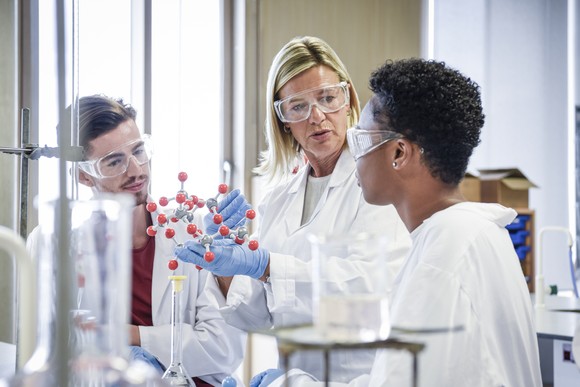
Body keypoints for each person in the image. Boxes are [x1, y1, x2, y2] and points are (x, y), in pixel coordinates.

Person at [254, 58, 543, 386]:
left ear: (399, 154)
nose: (355, 155)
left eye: (360, 140)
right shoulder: (471, 232)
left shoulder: (443, 254)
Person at [176, 36, 411, 383]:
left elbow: (368, 293)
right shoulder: (278, 198)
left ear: (347, 101)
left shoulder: (377, 185)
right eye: (297, 106)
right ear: (283, 120)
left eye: (328, 98)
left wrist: (268, 267)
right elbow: (258, 314)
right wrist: (222, 265)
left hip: (364, 376)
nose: (317, 117)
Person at [29, 94, 247, 386]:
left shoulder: (192, 233)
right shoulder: (52, 245)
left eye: (139, 151)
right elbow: (48, 354)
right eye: (114, 162)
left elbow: (223, 350)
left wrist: (130, 335)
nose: (136, 171)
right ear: (83, 175)